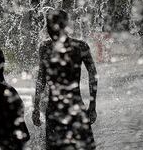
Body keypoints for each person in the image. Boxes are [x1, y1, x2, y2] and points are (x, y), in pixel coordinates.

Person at [32, 10, 98, 150]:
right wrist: (36, 107)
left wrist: (92, 105)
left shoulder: (80, 47)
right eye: (48, 26)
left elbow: (93, 74)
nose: (50, 30)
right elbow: (41, 78)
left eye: (54, 26)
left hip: (71, 106)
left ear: (64, 26)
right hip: (56, 108)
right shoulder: (45, 47)